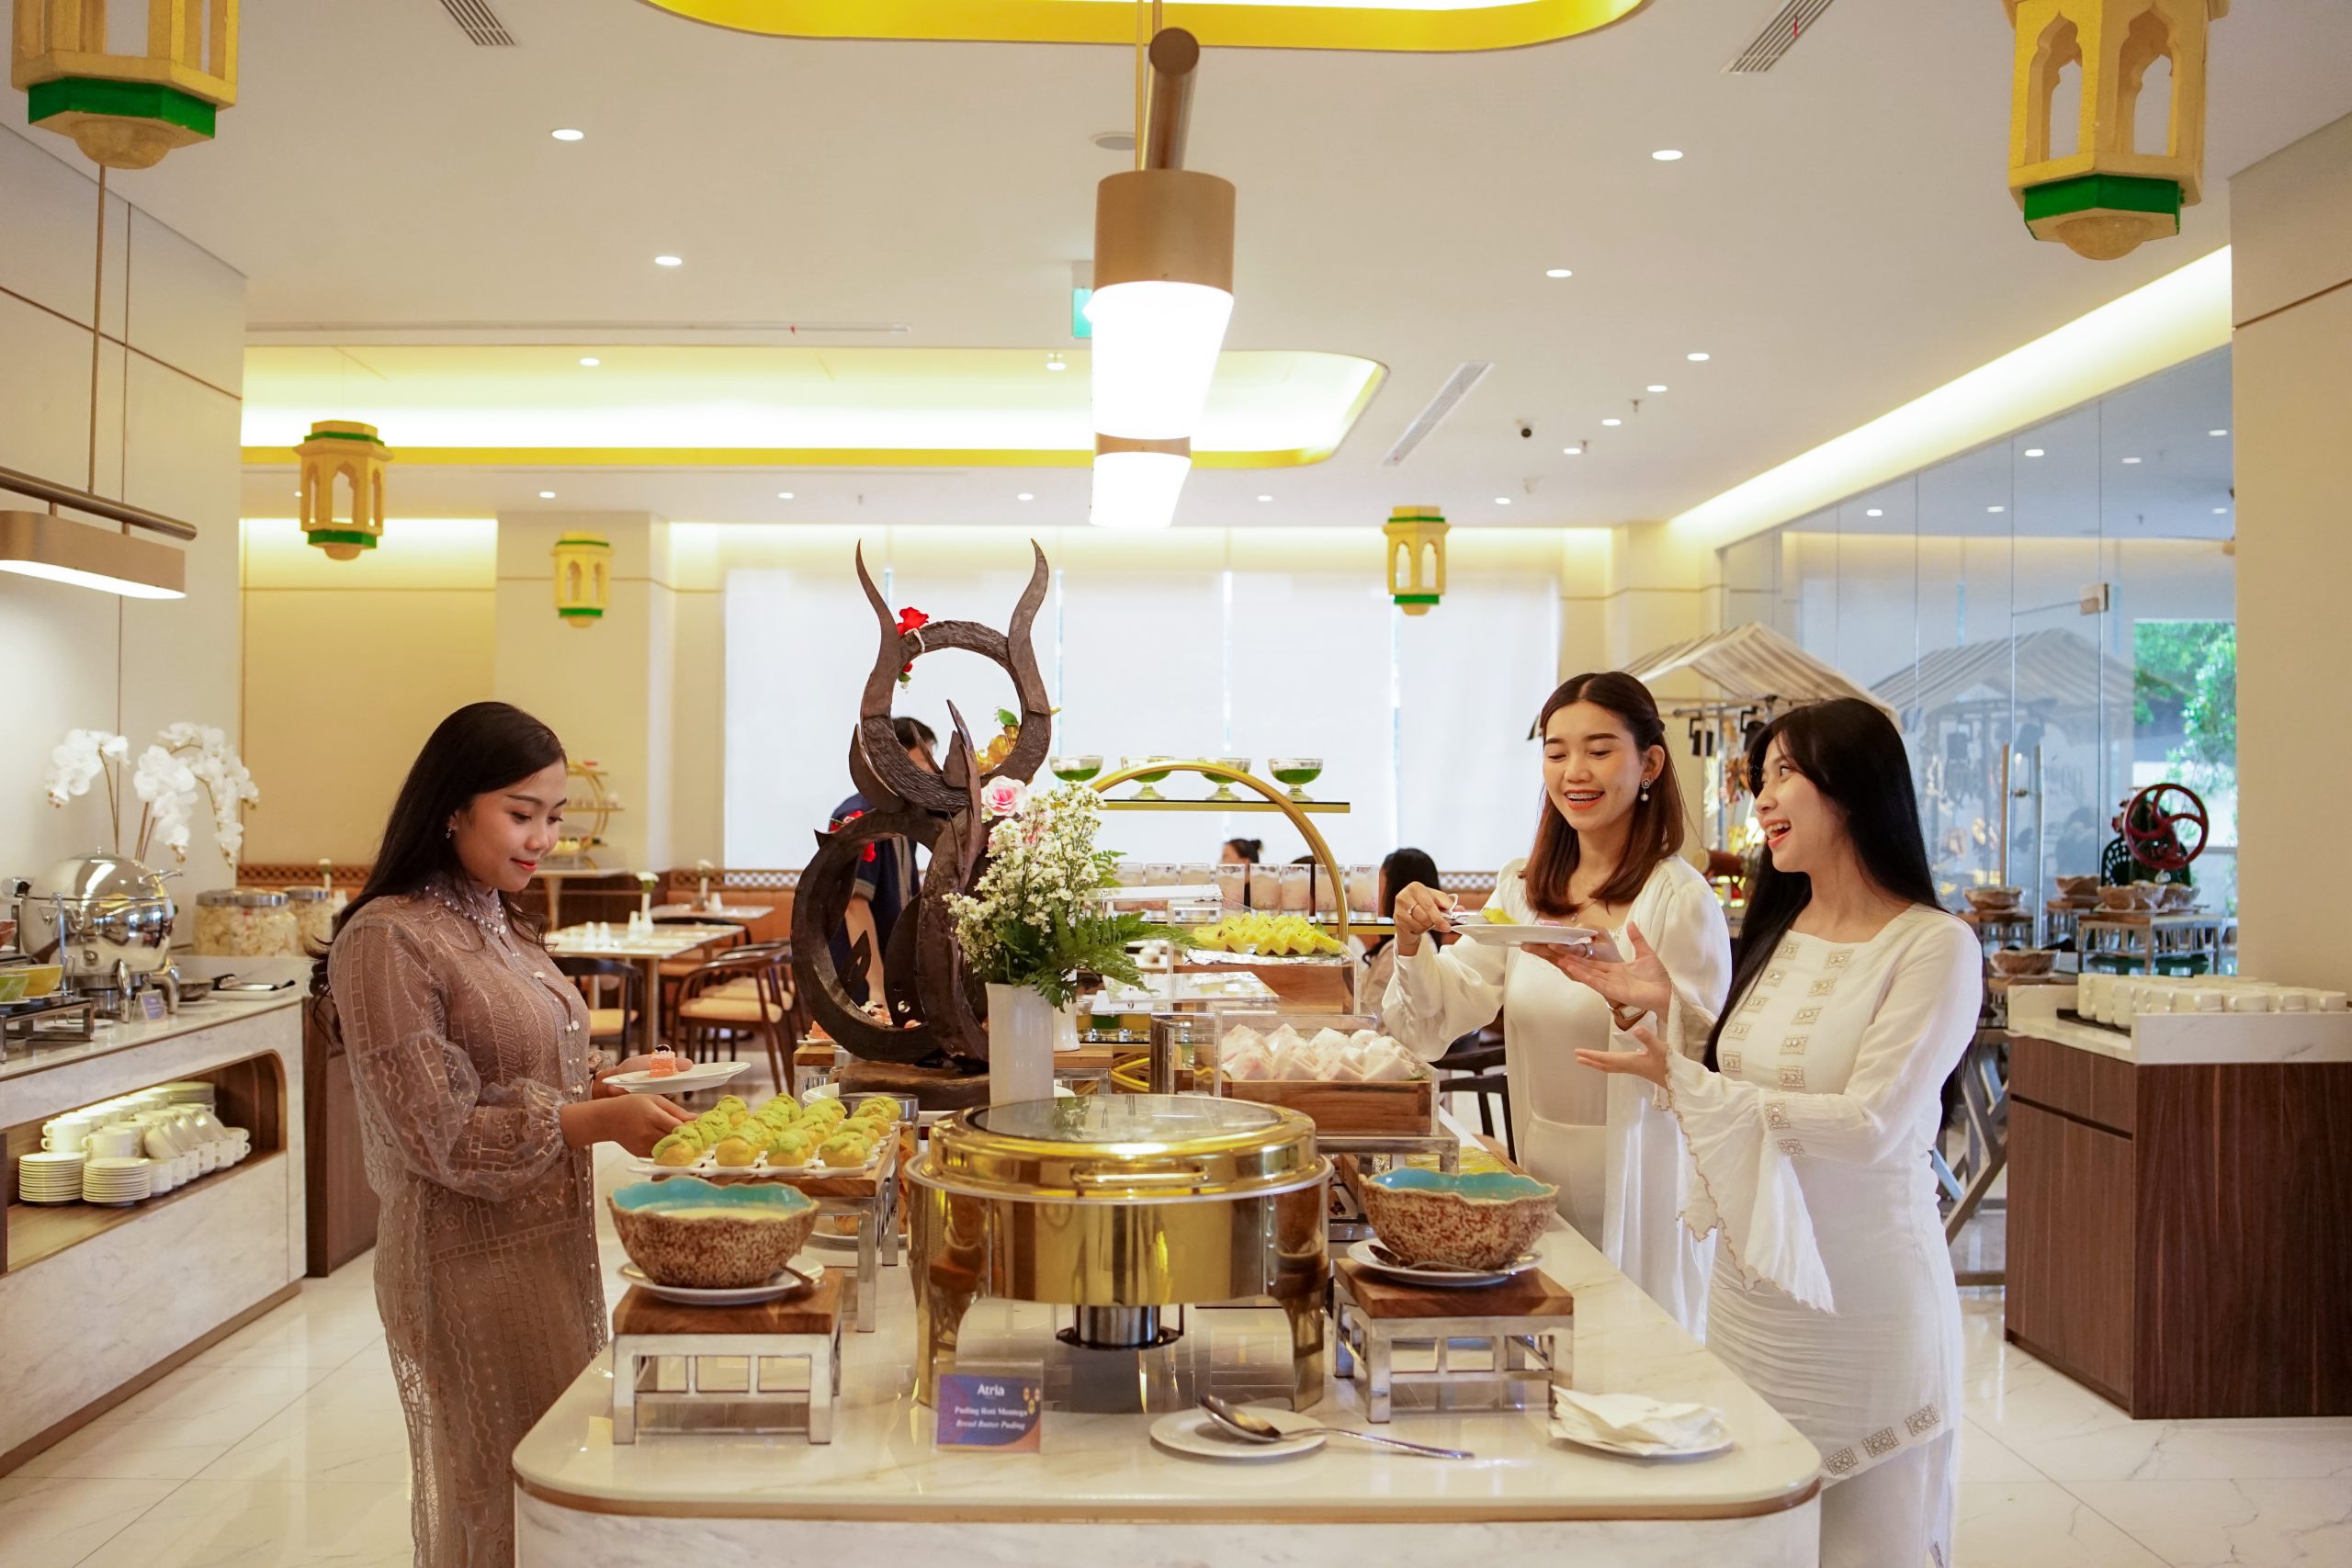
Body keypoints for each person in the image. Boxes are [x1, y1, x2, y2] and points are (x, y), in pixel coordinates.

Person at [1557, 697, 1977, 1568]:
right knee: (1760, 1535)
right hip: (1751, 1302)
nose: (1763, 800)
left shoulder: (1935, 947)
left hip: (1864, 1306)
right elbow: (1746, 1070)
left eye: (1785, 774)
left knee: (1866, 1546)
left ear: (1853, 789)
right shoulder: (1781, 928)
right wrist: (1671, 1010)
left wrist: (1689, 1082)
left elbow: (1869, 1124)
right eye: (1761, 778)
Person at [315, 702, 690, 1568]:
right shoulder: (388, 939)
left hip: (544, 1245)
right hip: (461, 1262)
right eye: (522, 814)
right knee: (498, 1490)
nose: (544, 838)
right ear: (453, 806)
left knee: (550, 1480)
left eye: (555, 816)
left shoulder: (500, 920)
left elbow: (527, 1075)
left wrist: (611, 1083)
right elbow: (437, 1132)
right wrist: (593, 1118)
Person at [1384, 671, 1730, 1334]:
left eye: (1600, 750)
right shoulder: (1523, 888)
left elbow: (1710, 1062)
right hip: (1539, 1170)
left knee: (1633, 1347)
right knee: (1552, 1341)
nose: (1575, 771)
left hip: (1642, 1179)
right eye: (1556, 750)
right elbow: (1438, 1017)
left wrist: (1640, 1005)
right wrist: (1410, 939)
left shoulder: (1678, 898)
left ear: (1650, 763)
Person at [828, 716, 937, 1011]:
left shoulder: (903, 815)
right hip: (861, 972)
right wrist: (876, 984)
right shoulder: (858, 816)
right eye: (923, 763)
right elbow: (854, 904)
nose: (930, 772)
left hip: (892, 965)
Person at [1358, 846, 1439, 1010]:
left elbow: (1372, 1012)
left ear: (1398, 891)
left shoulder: (1405, 946)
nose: (1374, 892)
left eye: (1379, 883)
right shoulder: (1415, 939)